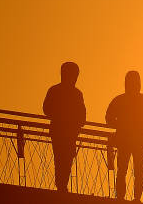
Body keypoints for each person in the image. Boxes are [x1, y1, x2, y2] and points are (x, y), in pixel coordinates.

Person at [105, 71, 143, 201]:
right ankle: (135, 198)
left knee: (124, 169)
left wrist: (121, 125)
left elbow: (109, 118)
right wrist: (139, 127)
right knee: (136, 170)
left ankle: (122, 198)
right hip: (136, 140)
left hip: (125, 139)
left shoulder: (120, 100)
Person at [43, 62, 86, 192]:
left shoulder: (57, 90)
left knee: (62, 158)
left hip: (63, 131)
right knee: (64, 158)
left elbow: (46, 109)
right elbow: (47, 109)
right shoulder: (74, 93)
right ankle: (62, 185)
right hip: (64, 132)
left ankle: (61, 185)